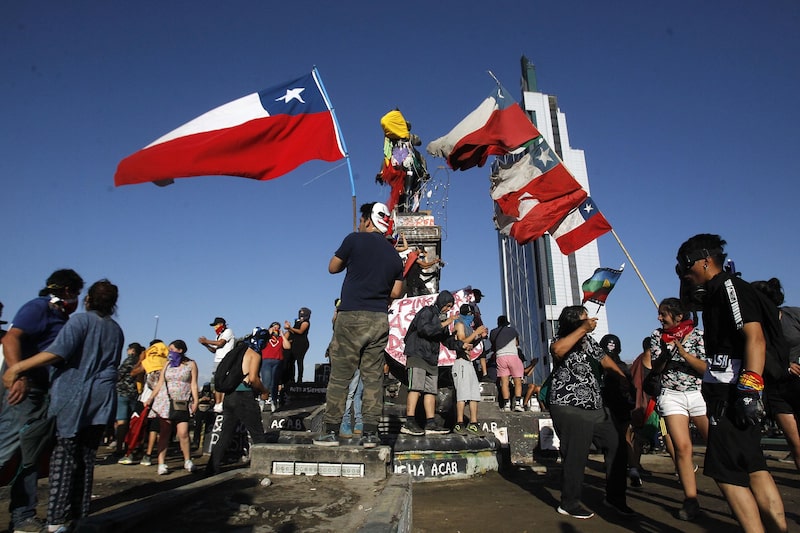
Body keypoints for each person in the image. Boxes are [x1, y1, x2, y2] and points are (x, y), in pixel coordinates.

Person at [676, 233, 787, 532]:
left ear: (705, 260)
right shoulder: (716, 292)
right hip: (728, 390)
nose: (685, 272)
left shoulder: (729, 287)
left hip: (732, 392)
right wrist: (686, 280)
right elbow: (689, 304)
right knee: (753, 467)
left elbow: (755, 337)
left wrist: (749, 390)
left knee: (726, 473)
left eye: (686, 266)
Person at [3, 279, 123, 533]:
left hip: (73, 399)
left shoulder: (80, 321)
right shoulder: (116, 329)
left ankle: (55, 520)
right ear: (113, 305)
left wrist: (18, 367)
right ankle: (80, 517)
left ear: (88, 299)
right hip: (101, 403)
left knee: (63, 458)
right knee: (86, 460)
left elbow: (58, 352)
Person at [314, 202, 404, 447]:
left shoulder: (354, 239)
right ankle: (371, 433)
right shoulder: (394, 255)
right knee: (373, 377)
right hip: (378, 319)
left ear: (367, 220)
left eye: (361, 221)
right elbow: (396, 291)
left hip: (351, 315)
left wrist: (351, 254)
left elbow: (332, 267)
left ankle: (332, 431)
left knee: (341, 376)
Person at [0, 268, 84, 533]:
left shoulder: (59, 316)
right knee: (5, 449)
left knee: (30, 454)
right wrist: (18, 374)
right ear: (68, 291)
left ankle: (23, 515)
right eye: (77, 294)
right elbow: (11, 338)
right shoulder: (38, 308)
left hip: (43, 394)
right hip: (25, 390)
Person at [547, 305, 632, 519]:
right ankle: (569, 503)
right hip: (568, 406)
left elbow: (604, 359)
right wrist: (583, 328)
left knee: (617, 445)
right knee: (576, 454)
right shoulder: (561, 339)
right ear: (574, 320)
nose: (590, 319)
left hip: (595, 407)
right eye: (585, 317)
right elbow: (557, 351)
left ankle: (615, 498)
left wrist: (622, 378)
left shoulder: (588, 341)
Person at [646, 298, 709, 520]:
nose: (659, 318)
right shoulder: (657, 336)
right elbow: (656, 367)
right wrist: (667, 351)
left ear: (678, 316)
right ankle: (690, 499)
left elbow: (705, 369)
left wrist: (685, 354)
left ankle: (735, 489)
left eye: (664, 314)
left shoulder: (698, 336)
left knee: (717, 443)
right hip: (671, 396)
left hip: (698, 394)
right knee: (682, 448)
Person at [206, 328, 269, 475]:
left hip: (230, 396)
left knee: (225, 435)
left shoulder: (238, 351)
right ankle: (264, 467)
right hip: (244, 396)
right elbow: (253, 378)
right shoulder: (254, 354)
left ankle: (211, 469)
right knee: (258, 434)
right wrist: (264, 391)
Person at [751, 278, 800, 470]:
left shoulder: (792, 316)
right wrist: (784, 366)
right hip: (777, 388)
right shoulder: (754, 329)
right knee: (796, 444)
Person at [400, 290, 462, 436]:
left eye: (450, 307)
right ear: (441, 302)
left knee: (430, 391)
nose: (448, 309)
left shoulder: (442, 319)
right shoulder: (426, 311)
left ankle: (430, 423)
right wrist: (445, 322)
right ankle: (409, 421)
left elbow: (446, 340)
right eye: (447, 305)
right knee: (415, 388)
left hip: (432, 359)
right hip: (417, 354)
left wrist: (461, 345)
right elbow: (424, 329)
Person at [144, 339, 199, 475]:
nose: (170, 352)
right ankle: (161, 462)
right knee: (164, 432)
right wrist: (151, 398)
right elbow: (160, 382)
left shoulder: (191, 365)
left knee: (183, 433)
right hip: (165, 401)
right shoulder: (167, 365)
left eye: (172, 349)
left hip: (182, 401)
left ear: (180, 350)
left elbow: (193, 384)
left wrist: (195, 400)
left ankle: (187, 459)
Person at [451, 304, 488, 436]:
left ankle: (473, 423)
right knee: (462, 394)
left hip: (469, 362)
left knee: (474, 394)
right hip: (460, 362)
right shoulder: (459, 324)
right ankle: (459, 423)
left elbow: (470, 345)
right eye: (472, 315)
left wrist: (480, 337)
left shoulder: (468, 327)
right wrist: (476, 333)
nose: (473, 317)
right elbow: (462, 343)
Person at [113, 342, 144, 457]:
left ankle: (119, 447)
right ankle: (131, 446)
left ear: (132, 350)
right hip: (135, 394)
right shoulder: (142, 361)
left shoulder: (128, 360)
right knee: (134, 422)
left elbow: (119, 375)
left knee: (122, 421)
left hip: (122, 392)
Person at [199, 317, 234, 413]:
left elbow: (221, 343)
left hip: (225, 359)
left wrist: (207, 341)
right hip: (217, 360)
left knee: (223, 381)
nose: (215, 327)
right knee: (217, 382)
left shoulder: (228, 331)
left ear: (221, 324)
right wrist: (206, 345)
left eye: (216, 325)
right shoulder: (218, 335)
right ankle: (218, 403)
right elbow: (214, 349)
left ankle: (223, 402)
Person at [489, 316, 524, 412]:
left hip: (500, 357)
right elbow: (517, 343)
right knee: (517, 382)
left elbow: (493, 344)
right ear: (507, 323)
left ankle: (506, 404)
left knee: (504, 382)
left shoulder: (493, 332)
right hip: (513, 356)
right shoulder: (513, 331)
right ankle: (517, 404)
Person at [259, 322, 289, 413]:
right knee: (266, 382)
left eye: (278, 328)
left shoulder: (280, 339)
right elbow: (259, 344)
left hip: (277, 361)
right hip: (266, 361)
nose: (276, 329)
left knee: (274, 383)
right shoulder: (265, 339)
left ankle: (274, 402)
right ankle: (262, 401)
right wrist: (268, 332)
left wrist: (282, 335)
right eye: (274, 327)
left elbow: (287, 346)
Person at [284, 307, 311, 384]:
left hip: (302, 343)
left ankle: (299, 379)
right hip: (294, 343)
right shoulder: (297, 321)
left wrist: (290, 328)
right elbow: (294, 332)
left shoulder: (306, 322)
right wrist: (289, 328)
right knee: (291, 361)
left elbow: (300, 332)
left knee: (299, 360)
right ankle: (291, 378)